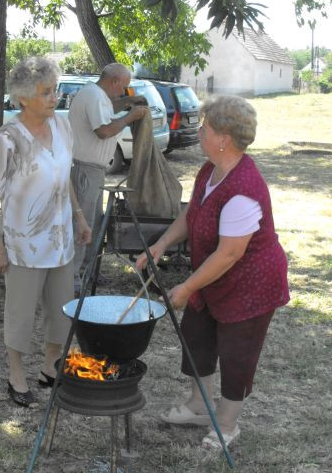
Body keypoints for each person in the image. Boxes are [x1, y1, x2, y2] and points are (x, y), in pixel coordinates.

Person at [136, 95, 289, 450]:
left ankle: (226, 424)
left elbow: (229, 253)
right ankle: (198, 406)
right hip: (214, 276)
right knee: (197, 337)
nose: (199, 132)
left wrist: (187, 287)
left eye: (204, 128)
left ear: (222, 138)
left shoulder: (243, 189)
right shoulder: (211, 169)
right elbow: (193, 215)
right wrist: (162, 244)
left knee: (238, 354)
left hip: (250, 284)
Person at [0, 56, 91, 408]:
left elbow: (64, 177)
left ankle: (49, 367)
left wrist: (79, 217)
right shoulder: (7, 139)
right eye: (45, 92)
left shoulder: (62, 126)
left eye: (54, 90)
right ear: (23, 98)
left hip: (60, 240)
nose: (53, 97)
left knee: (60, 310)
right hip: (24, 244)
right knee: (21, 311)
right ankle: (16, 374)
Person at [69, 63, 148, 294]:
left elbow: (110, 106)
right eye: (123, 87)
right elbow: (103, 130)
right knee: (81, 225)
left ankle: (88, 272)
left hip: (94, 170)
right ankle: (72, 278)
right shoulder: (93, 96)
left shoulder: (97, 95)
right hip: (85, 169)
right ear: (114, 81)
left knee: (93, 222)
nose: (123, 92)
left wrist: (128, 103)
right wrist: (130, 116)